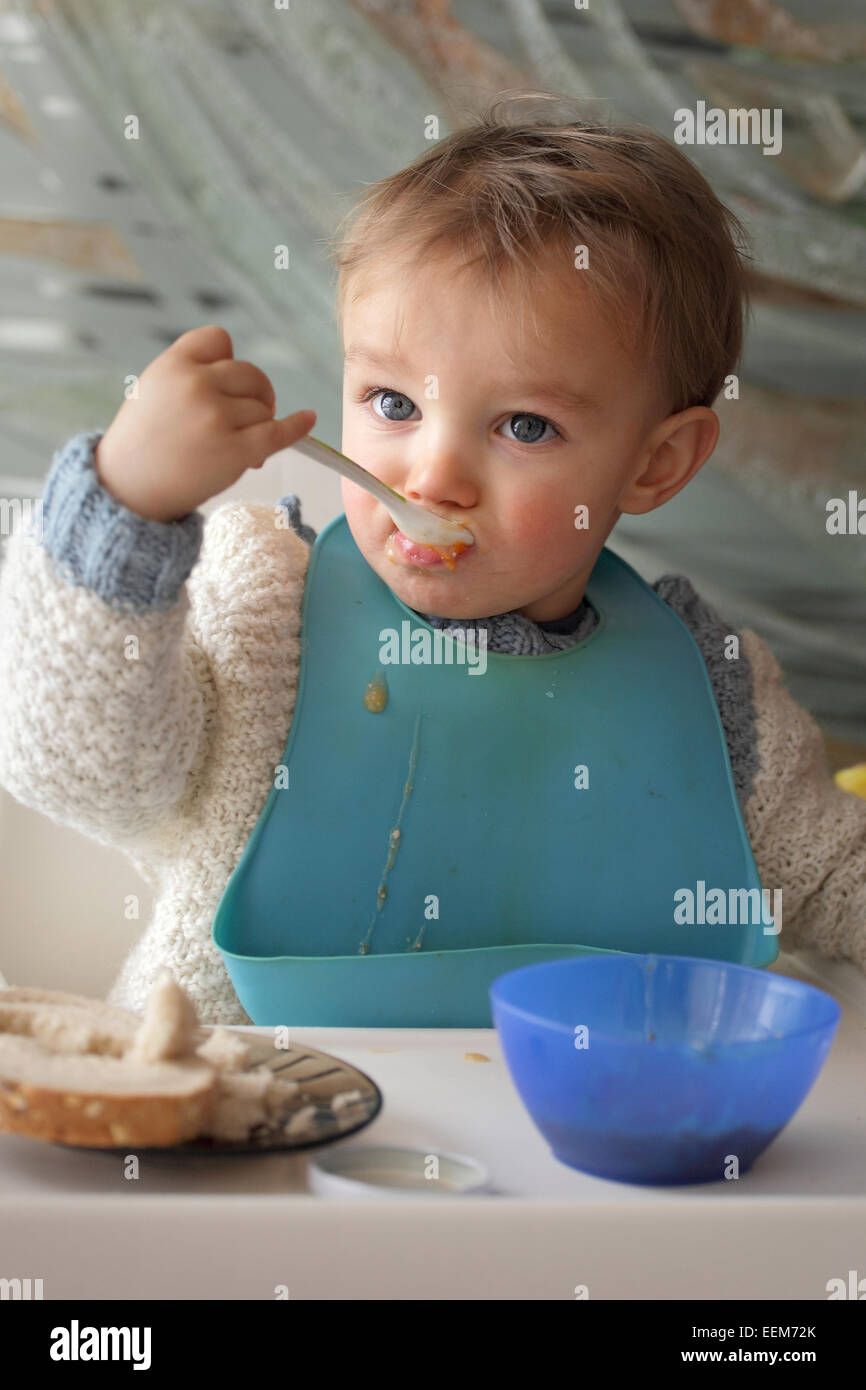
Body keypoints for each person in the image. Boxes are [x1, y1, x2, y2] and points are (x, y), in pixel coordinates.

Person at [1, 102, 863, 1024]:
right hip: (237, 1133)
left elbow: (835, 877)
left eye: (525, 426)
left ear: (655, 463)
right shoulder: (267, 613)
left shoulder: (707, 690)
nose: (434, 474)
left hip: (580, 1155)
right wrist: (127, 507)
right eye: (393, 403)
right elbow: (71, 763)